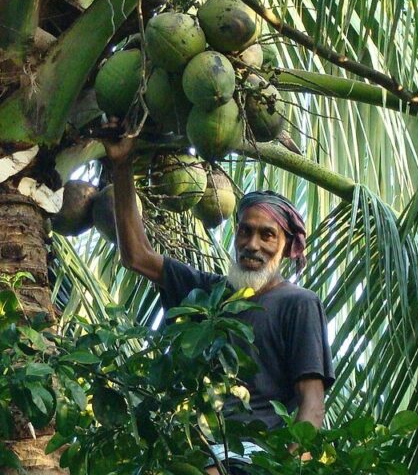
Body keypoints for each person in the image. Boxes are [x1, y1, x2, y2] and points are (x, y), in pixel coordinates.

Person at [102, 134, 335, 473]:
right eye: (245, 231)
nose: (252, 244)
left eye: (267, 235)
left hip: (256, 458)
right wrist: (122, 165)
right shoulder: (207, 294)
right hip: (198, 454)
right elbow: (137, 256)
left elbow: (312, 404)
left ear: (287, 247)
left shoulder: (299, 303)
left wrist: (291, 466)